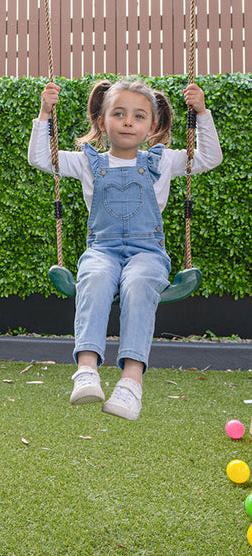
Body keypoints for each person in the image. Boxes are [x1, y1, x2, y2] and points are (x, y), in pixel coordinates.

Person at [28, 77, 222, 420]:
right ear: (102, 122)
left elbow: (208, 157)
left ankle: (131, 383)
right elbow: (41, 158)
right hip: (102, 249)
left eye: (138, 116)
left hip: (147, 252)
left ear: (152, 125)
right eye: (118, 114)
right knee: (94, 277)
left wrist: (202, 112)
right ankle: (86, 370)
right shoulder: (88, 162)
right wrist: (45, 113)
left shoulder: (163, 162)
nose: (128, 121)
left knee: (139, 284)